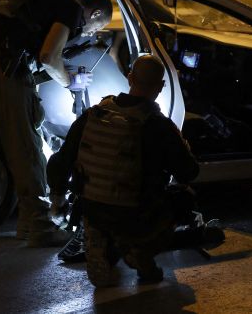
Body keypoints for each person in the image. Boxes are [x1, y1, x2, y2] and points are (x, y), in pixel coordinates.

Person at [0, 0, 113, 247]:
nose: (89, 33)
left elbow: (41, 54)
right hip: (6, 67)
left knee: (16, 143)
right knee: (27, 146)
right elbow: (48, 56)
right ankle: (40, 226)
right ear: (94, 15)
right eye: (96, 28)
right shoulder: (71, 8)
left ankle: (27, 223)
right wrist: (70, 81)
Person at [47, 55, 201, 287]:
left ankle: (99, 241)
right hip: (135, 213)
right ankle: (140, 249)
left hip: (92, 208)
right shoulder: (159, 125)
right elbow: (189, 173)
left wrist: (57, 200)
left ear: (129, 78)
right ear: (160, 87)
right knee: (185, 198)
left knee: (102, 210)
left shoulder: (93, 115)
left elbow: (60, 161)